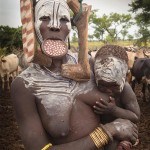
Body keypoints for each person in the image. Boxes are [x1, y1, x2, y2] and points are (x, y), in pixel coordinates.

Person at [11, 0, 138, 150]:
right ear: (32, 25)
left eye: (63, 19)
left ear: (71, 27)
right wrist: (109, 131)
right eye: (44, 18)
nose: (55, 25)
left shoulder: (92, 66)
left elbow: (125, 106)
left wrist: (123, 138)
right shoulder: (25, 85)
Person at [92, 45, 140, 149]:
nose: (109, 90)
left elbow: (135, 117)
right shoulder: (92, 86)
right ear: (95, 75)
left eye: (114, 85)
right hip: (98, 131)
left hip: (121, 130)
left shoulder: (125, 90)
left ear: (125, 77)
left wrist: (113, 110)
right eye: (103, 85)